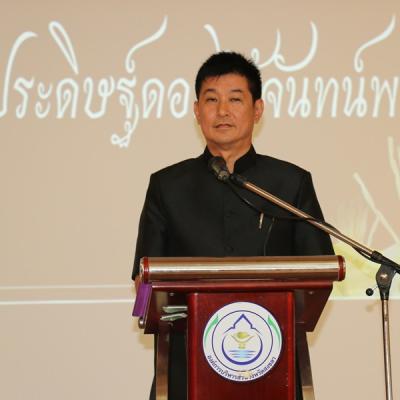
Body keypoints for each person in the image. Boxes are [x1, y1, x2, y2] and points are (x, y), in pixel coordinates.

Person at [132, 51, 334, 400]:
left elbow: (320, 272)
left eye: (235, 99)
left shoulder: (290, 183)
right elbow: (143, 283)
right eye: (211, 100)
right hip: (186, 369)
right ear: (197, 111)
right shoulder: (167, 185)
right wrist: (146, 302)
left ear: (257, 110)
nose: (222, 110)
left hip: (273, 366)